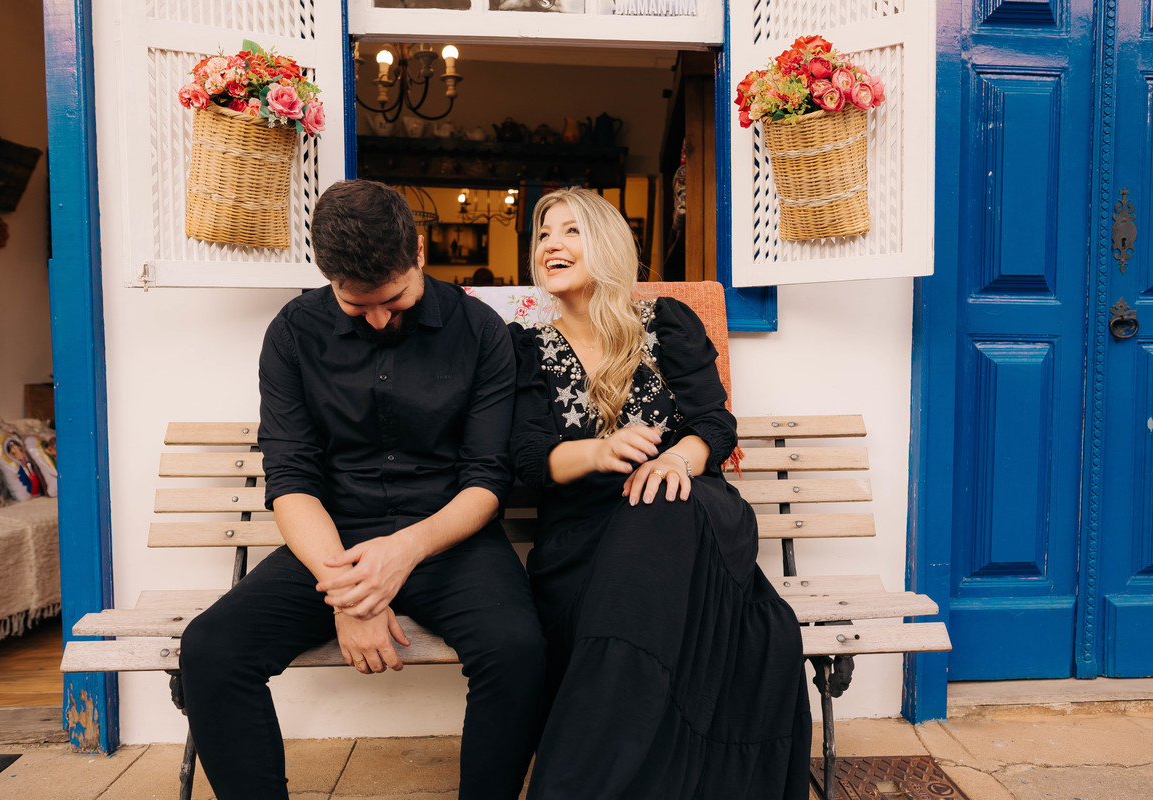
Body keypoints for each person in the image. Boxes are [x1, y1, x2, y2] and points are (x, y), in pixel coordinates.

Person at [180, 179, 546, 800]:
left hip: (447, 538)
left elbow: (488, 479)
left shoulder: (482, 332)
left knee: (519, 652)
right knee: (211, 649)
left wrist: (402, 552)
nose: (379, 319)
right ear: (328, 280)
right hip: (333, 542)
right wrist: (353, 596)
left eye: (395, 301)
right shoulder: (293, 333)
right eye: (357, 306)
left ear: (421, 253)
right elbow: (291, 478)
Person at [509, 187, 812, 799]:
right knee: (642, 532)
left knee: (665, 501)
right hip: (585, 536)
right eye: (543, 234)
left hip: (692, 517)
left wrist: (678, 457)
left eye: (571, 231)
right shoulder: (525, 350)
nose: (551, 245)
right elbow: (524, 458)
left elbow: (715, 423)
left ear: (607, 246)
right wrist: (598, 451)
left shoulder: (667, 322)